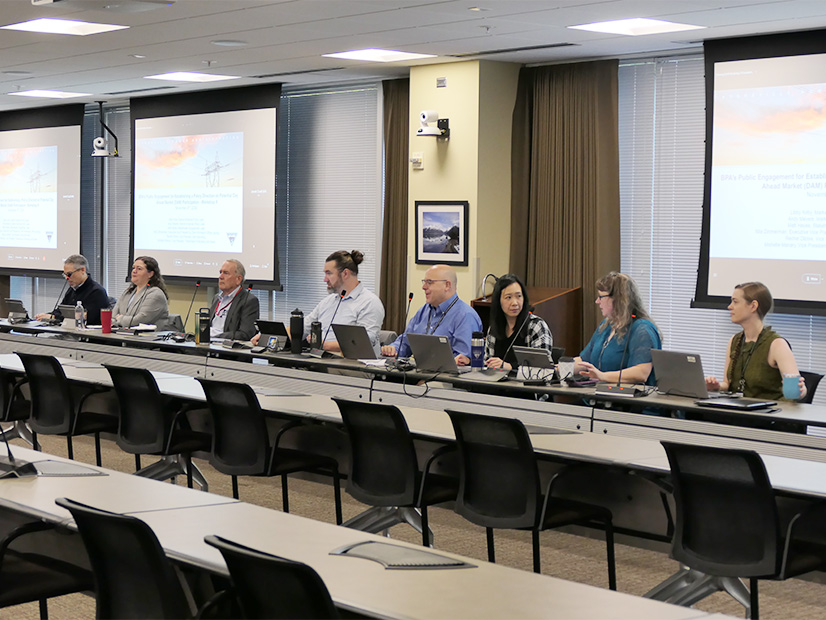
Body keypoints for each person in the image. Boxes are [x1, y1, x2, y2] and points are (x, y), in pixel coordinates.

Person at [253, 250, 384, 352]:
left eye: (329, 273)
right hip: (322, 359)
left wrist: (326, 346)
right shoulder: (328, 302)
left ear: (345, 273)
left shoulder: (369, 302)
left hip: (352, 365)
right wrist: (269, 336)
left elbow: (365, 341)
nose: (325, 279)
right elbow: (302, 328)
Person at [705, 282, 806, 400]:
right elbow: (727, 384)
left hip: (766, 415)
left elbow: (795, 390)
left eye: (735, 301)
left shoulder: (777, 344)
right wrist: (716, 387)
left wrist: (801, 390)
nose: (730, 306)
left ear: (753, 306)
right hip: (736, 411)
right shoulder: (734, 341)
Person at [575, 271, 662, 385]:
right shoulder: (606, 325)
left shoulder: (642, 330)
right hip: (599, 396)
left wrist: (602, 376)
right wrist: (555, 368)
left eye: (601, 297)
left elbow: (641, 373)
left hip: (628, 400)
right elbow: (583, 361)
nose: (597, 301)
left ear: (618, 299)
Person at [382, 264, 483, 359]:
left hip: (445, 376)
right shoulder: (424, 311)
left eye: (429, 282)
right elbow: (405, 343)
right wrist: (393, 349)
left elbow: (463, 359)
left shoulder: (465, 315)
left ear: (447, 285)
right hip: (418, 373)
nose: (424, 287)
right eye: (424, 282)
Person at [456, 273, 552, 370]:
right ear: (498, 301)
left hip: (526, 385)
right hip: (496, 383)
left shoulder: (536, 326)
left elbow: (542, 367)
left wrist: (510, 367)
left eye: (519, 296)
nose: (515, 303)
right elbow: (488, 363)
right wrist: (470, 361)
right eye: (508, 297)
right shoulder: (494, 329)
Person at [35, 254, 110, 325]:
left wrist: (55, 317)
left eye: (69, 274)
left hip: (88, 336)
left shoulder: (97, 292)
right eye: (65, 275)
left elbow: (88, 318)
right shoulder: (72, 289)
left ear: (82, 270)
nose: (66, 278)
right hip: (70, 334)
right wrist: (48, 315)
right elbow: (61, 310)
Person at [111, 256, 170, 328]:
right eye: (133, 268)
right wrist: (115, 322)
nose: (134, 271)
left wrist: (120, 319)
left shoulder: (155, 294)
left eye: (139, 269)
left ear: (150, 274)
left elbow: (140, 320)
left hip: (148, 337)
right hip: (122, 334)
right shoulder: (128, 292)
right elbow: (113, 316)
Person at [208, 259, 259, 341]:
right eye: (220, 272)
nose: (220, 277)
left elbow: (245, 334)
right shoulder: (216, 298)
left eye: (226, 273)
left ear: (238, 279)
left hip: (225, 347)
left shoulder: (248, 301)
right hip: (208, 343)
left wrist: (217, 336)